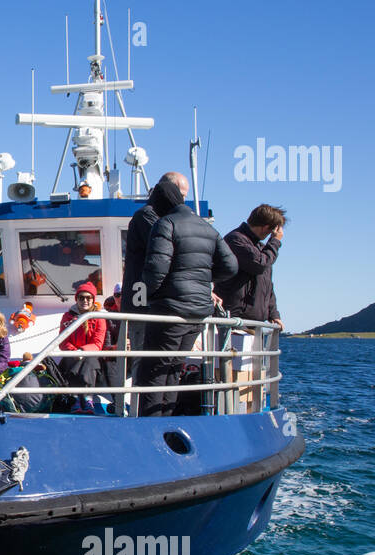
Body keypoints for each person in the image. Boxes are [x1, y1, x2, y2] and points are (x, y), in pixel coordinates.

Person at [133, 177, 239, 417]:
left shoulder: (166, 224)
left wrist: (150, 294)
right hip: (199, 313)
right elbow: (231, 266)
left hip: (170, 311)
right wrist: (202, 281)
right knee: (174, 368)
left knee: (154, 371)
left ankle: (149, 430)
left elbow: (155, 270)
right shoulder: (207, 227)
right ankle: (166, 426)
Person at [122, 173, 190, 368]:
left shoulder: (162, 219)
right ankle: (142, 398)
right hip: (143, 303)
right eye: (182, 195)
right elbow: (172, 249)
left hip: (162, 304)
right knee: (144, 363)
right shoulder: (147, 216)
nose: (183, 202)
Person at [216, 205, 286, 331]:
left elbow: (267, 284)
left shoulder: (260, 248)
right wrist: (275, 242)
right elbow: (260, 265)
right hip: (235, 320)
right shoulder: (236, 240)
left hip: (253, 322)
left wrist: (273, 313)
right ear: (265, 227)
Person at [58, 281, 106, 413]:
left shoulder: (99, 318)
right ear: (77, 299)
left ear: (93, 300)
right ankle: (78, 400)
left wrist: (82, 351)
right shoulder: (67, 317)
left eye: (88, 298)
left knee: (89, 361)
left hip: (90, 357)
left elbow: (98, 343)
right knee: (73, 360)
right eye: (81, 297)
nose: (85, 300)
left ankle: (85, 398)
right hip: (72, 356)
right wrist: (75, 352)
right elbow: (62, 341)